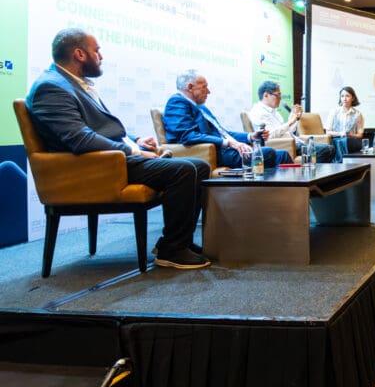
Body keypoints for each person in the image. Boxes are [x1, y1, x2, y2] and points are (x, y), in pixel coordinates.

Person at [26, 29, 210, 269]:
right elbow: (79, 139)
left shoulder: (72, 84)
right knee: (184, 170)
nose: (101, 56)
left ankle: (176, 241)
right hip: (93, 168)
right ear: (80, 54)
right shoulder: (51, 87)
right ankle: (172, 250)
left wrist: (135, 140)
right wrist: (132, 151)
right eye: (97, 50)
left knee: (199, 167)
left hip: (108, 160)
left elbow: (98, 130)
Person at [163, 71, 289, 169]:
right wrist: (228, 143)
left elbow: (222, 132)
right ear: (190, 87)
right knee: (269, 153)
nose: (209, 91)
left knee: (282, 155)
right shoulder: (176, 102)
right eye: (204, 87)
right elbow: (187, 136)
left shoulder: (201, 107)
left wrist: (250, 137)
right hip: (210, 153)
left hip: (224, 150)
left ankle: (290, 199)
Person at [248, 81, 334, 163]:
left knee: (330, 149)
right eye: (278, 95)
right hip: (285, 145)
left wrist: (295, 118)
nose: (280, 98)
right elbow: (270, 135)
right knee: (327, 150)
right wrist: (290, 122)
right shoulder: (258, 112)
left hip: (295, 142)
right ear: (266, 95)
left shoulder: (275, 112)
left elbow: (288, 131)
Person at [324, 86, 365, 155]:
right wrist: (342, 133)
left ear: (353, 98)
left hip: (351, 141)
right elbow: (328, 132)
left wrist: (351, 134)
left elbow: (360, 135)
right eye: (342, 96)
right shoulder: (334, 112)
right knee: (342, 141)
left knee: (348, 140)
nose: (344, 99)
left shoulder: (358, 114)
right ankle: (342, 162)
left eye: (347, 96)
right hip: (336, 140)